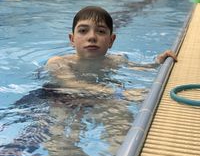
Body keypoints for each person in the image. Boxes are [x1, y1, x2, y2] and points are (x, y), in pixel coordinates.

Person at [45, 6, 177, 98]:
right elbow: (70, 84)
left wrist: (158, 61)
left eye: (101, 31)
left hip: (99, 97)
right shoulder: (58, 62)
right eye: (83, 31)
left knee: (120, 113)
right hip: (59, 99)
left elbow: (140, 68)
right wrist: (118, 93)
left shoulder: (115, 61)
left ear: (111, 40)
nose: (92, 37)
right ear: (72, 39)